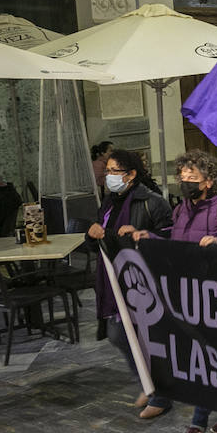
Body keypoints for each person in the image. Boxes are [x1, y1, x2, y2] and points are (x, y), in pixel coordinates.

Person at [129, 149, 217, 433]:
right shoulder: (181, 209)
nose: (185, 181)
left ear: (208, 181)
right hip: (188, 294)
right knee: (216, 361)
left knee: (204, 363)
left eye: (192, 177)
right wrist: (151, 239)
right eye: (182, 176)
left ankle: (197, 428)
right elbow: (177, 246)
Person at [87, 149, 172, 416]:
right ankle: (147, 384)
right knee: (118, 334)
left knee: (147, 338)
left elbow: (169, 238)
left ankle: (160, 394)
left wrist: (140, 235)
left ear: (131, 175)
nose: (109, 176)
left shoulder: (152, 202)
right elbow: (100, 240)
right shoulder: (109, 202)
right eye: (108, 171)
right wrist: (92, 235)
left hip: (143, 280)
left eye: (115, 171)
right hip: (115, 279)